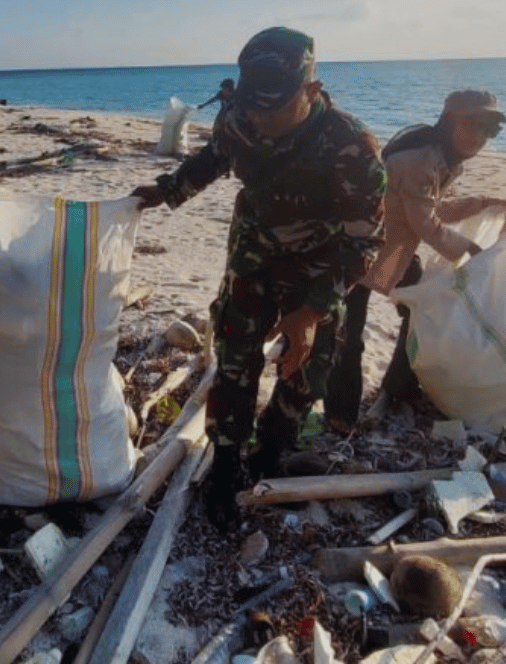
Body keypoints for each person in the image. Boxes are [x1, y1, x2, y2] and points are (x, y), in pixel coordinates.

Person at [131, 27, 386, 528]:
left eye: (275, 108)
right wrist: (167, 190)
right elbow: (216, 157)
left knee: (305, 370)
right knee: (234, 363)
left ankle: (272, 450)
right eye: (252, 107)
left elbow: (365, 244)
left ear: (311, 92)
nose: (260, 120)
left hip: (319, 268)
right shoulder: (240, 115)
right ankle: (225, 468)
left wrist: (310, 313)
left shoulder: (351, 146)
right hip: (254, 253)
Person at [326, 90, 506, 427]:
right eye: (472, 126)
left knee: (419, 313)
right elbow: (426, 223)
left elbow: (429, 208)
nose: (478, 137)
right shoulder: (421, 160)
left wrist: (482, 203)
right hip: (358, 246)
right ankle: (340, 417)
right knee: (349, 334)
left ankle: (398, 387)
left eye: (488, 130)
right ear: (450, 123)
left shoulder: (441, 157)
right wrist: (470, 249)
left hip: (393, 247)